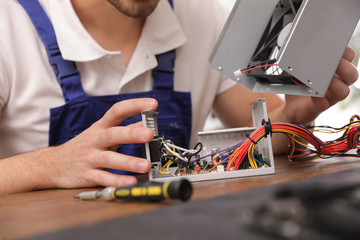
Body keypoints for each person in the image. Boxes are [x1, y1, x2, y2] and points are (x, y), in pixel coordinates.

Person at [0, 0, 358, 195]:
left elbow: (265, 136)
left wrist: (294, 116)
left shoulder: (202, 17)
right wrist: (49, 166)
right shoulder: (7, 26)